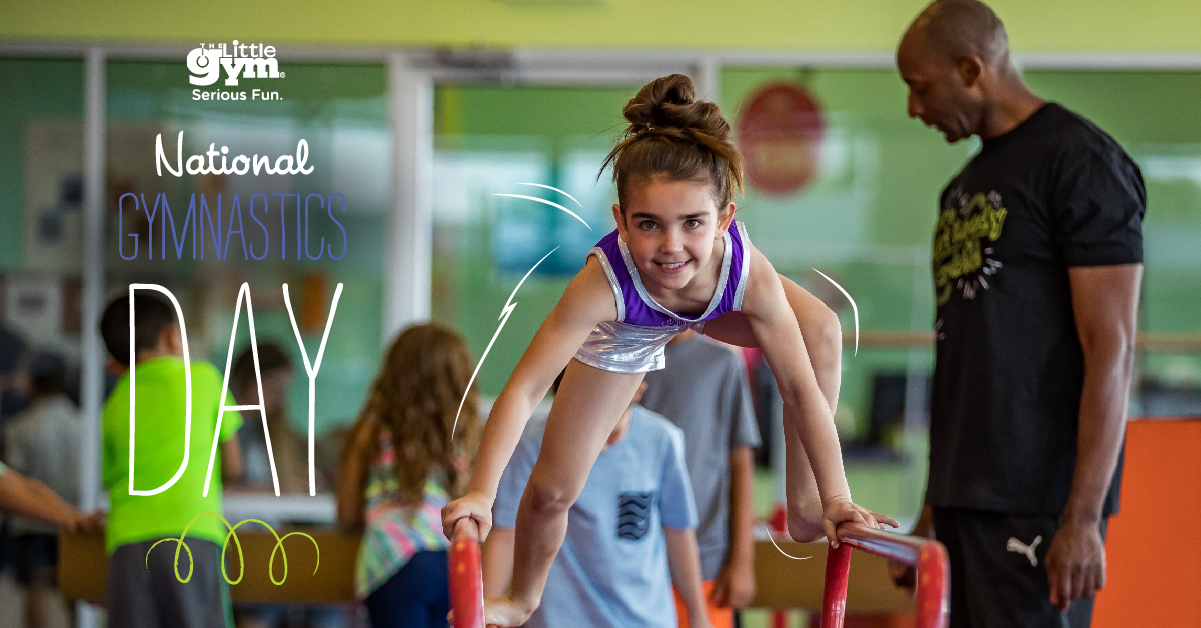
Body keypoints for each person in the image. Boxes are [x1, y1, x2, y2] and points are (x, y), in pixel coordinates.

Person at [442, 73, 897, 628]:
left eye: (693, 224)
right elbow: (524, 388)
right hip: (628, 331)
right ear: (621, 223)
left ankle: (807, 505)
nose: (672, 245)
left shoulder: (747, 271)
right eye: (649, 225)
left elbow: (800, 391)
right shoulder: (601, 283)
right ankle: (524, 598)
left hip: (716, 306)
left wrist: (837, 496)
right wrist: (482, 496)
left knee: (822, 329)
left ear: (726, 220)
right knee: (552, 490)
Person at [892, 2, 1145, 627]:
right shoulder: (961, 189)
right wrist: (935, 504)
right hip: (965, 501)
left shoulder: (1079, 162)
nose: (914, 108)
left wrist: (1082, 517)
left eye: (921, 88)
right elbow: (967, 357)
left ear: (972, 70)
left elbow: (1111, 347)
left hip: (1036, 502)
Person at [484, 372, 710, 628]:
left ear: (637, 391)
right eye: (587, 430)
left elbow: (678, 530)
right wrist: (484, 609)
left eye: (610, 432)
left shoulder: (662, 440)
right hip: (561, 618)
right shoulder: (533, 444)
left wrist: (698, 614)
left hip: (644, 617)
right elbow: (506, 534)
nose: (599, 445)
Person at [99, 292, 245, 628]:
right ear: (170, 336)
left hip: (127, 543)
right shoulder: (205, 378)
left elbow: (111, 478)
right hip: (192, 533)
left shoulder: (115, 402)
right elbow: (233, 467)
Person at [336, 323, 481, 628]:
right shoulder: (458, 440)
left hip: (392, 560)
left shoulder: (371, 433)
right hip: (451, 561)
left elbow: (347, 514)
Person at [641, 329, 761, 628]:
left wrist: (742, 560)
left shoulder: (722, 364)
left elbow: (741, 464)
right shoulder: (624, 358)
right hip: (634, 561)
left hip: (706, 562)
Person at [4, 353, 81, 628]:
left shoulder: (20, 427)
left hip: (30, 520)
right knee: (75, 590)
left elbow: (13, 478)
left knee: (35, 587)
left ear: (34, 385)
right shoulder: (84, 424)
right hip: (75, 517)